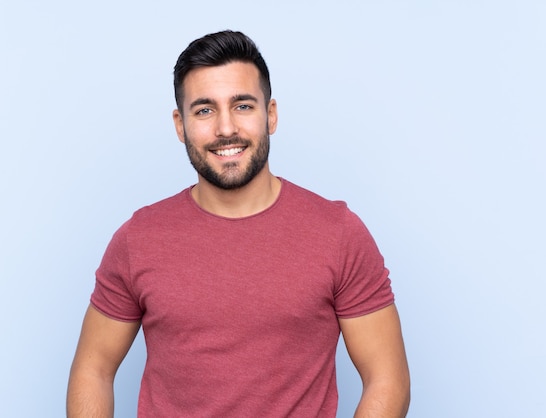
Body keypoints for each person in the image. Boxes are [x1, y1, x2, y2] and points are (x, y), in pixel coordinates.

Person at [67, 30, 410, 417]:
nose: (225, 128)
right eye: (204, 110)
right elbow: (93, 368)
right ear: (180, 125)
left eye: (243, 106)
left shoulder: (338, 233)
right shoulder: (138, 239)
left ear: (271, 114)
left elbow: (387, 377)